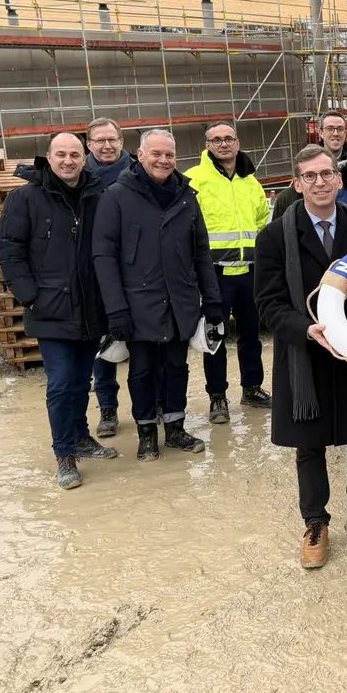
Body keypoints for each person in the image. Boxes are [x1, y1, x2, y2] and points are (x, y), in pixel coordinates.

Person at [253, 144, 347, 569]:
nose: (320, 182)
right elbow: (268, 303)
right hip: (306, 351)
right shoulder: (274, 237)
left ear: (338, 179)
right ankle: (315, 522)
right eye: (310, 176)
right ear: (298, 184)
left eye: (326, 174)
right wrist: (305, 328)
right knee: (309, 443)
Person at [0, 134, 116, 489]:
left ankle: (80, 437)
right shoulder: (25, 199)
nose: (68, 161)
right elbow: (9, 251)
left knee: (80, 380)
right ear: (48, 158)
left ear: (85, 157)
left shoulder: (98, 195)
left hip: (90, 308)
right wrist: (31, 297)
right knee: (62, 382)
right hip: (50, 309)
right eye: (60, 154)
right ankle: (64, 453)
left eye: (74, 154)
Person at [93, 129, 220, 462]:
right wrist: (115, 309)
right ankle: (147, 432)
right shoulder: (117, 196)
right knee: (142, 370)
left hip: (180, 301)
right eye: (156, 154)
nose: (164, 160)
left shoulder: (186, 196)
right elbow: (104, 257)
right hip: (138, 304)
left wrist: (212, 299)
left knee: (177, 367)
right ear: (140, 155)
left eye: (169, 155)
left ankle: (175, 428)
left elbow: (201, 252)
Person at [184, 122, 272, 425]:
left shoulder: (251, 182)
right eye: (216, 140)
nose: (223, 144)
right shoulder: (194, 180)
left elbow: (261, 221)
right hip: (214, 275)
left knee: (251, 335)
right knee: (215, 338)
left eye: (228, 139)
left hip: (249, 273)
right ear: (207, 145)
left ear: (237, 143)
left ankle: (252, 388)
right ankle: (217, 396)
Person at [84, 117, 131, 438]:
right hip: (97, 271)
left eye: (112, 139)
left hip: (137, 269)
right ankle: (108, 408)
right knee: (104, 346)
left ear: (121, 142)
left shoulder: (138, 173)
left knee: (145, 342)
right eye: (99, 140)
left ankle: (151, 404)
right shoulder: (80, 177)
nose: (106, 145)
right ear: (89, 144)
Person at [272, 110, 347, 221]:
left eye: (340, 129)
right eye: (330, 129)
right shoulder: (286, 199)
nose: (335, 133)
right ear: (320, 133)